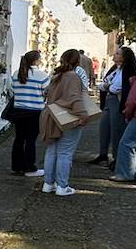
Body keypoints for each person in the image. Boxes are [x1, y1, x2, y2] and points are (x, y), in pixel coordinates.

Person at [38, 49, 94, 197]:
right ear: (78, 62)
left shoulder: (56, 75)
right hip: (68, 118)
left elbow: (45, 93)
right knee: (65, 153)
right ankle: (62, 186)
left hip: (51, 116)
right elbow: (75, 98)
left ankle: (48, 184)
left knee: (51, 151)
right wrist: (83, 115)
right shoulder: (73, 77)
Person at [91, 46, 136, 167]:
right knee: (104, 127)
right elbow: (104, 84)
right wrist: (106, 86)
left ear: (124, 57)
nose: (114, 56)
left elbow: (117, 87)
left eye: (117, 54)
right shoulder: (115, 69)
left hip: (118, 100)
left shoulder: (127, 69)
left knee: (117, 129)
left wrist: (107, 86)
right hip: (109, 99)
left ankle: (117, 157)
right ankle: (103, 154)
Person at [9, 50, 47, 175]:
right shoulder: (42, 75)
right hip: (34, 111)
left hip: (18, 110)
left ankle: (16, 166)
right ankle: (29, 167)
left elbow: (13, 90)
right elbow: (46, 92)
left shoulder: (16, 74)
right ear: (36, 60)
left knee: (19, 139)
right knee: (31, 140)